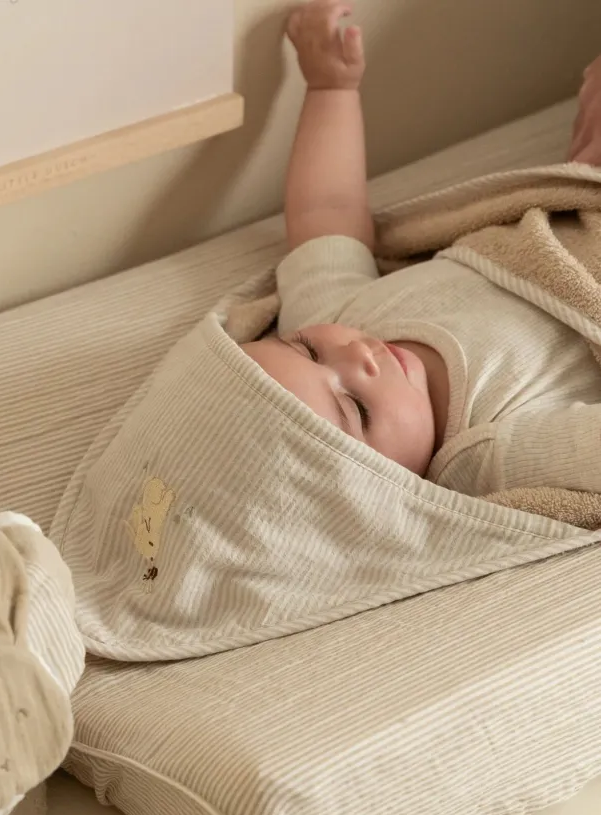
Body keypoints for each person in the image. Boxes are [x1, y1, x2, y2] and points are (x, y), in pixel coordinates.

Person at [241, 1, 601, 497]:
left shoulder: (339, 316)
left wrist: (329, 88)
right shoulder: (483, 453)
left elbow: (326, 209)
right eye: (357, 408)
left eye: (306, 348)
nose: (356, 356)